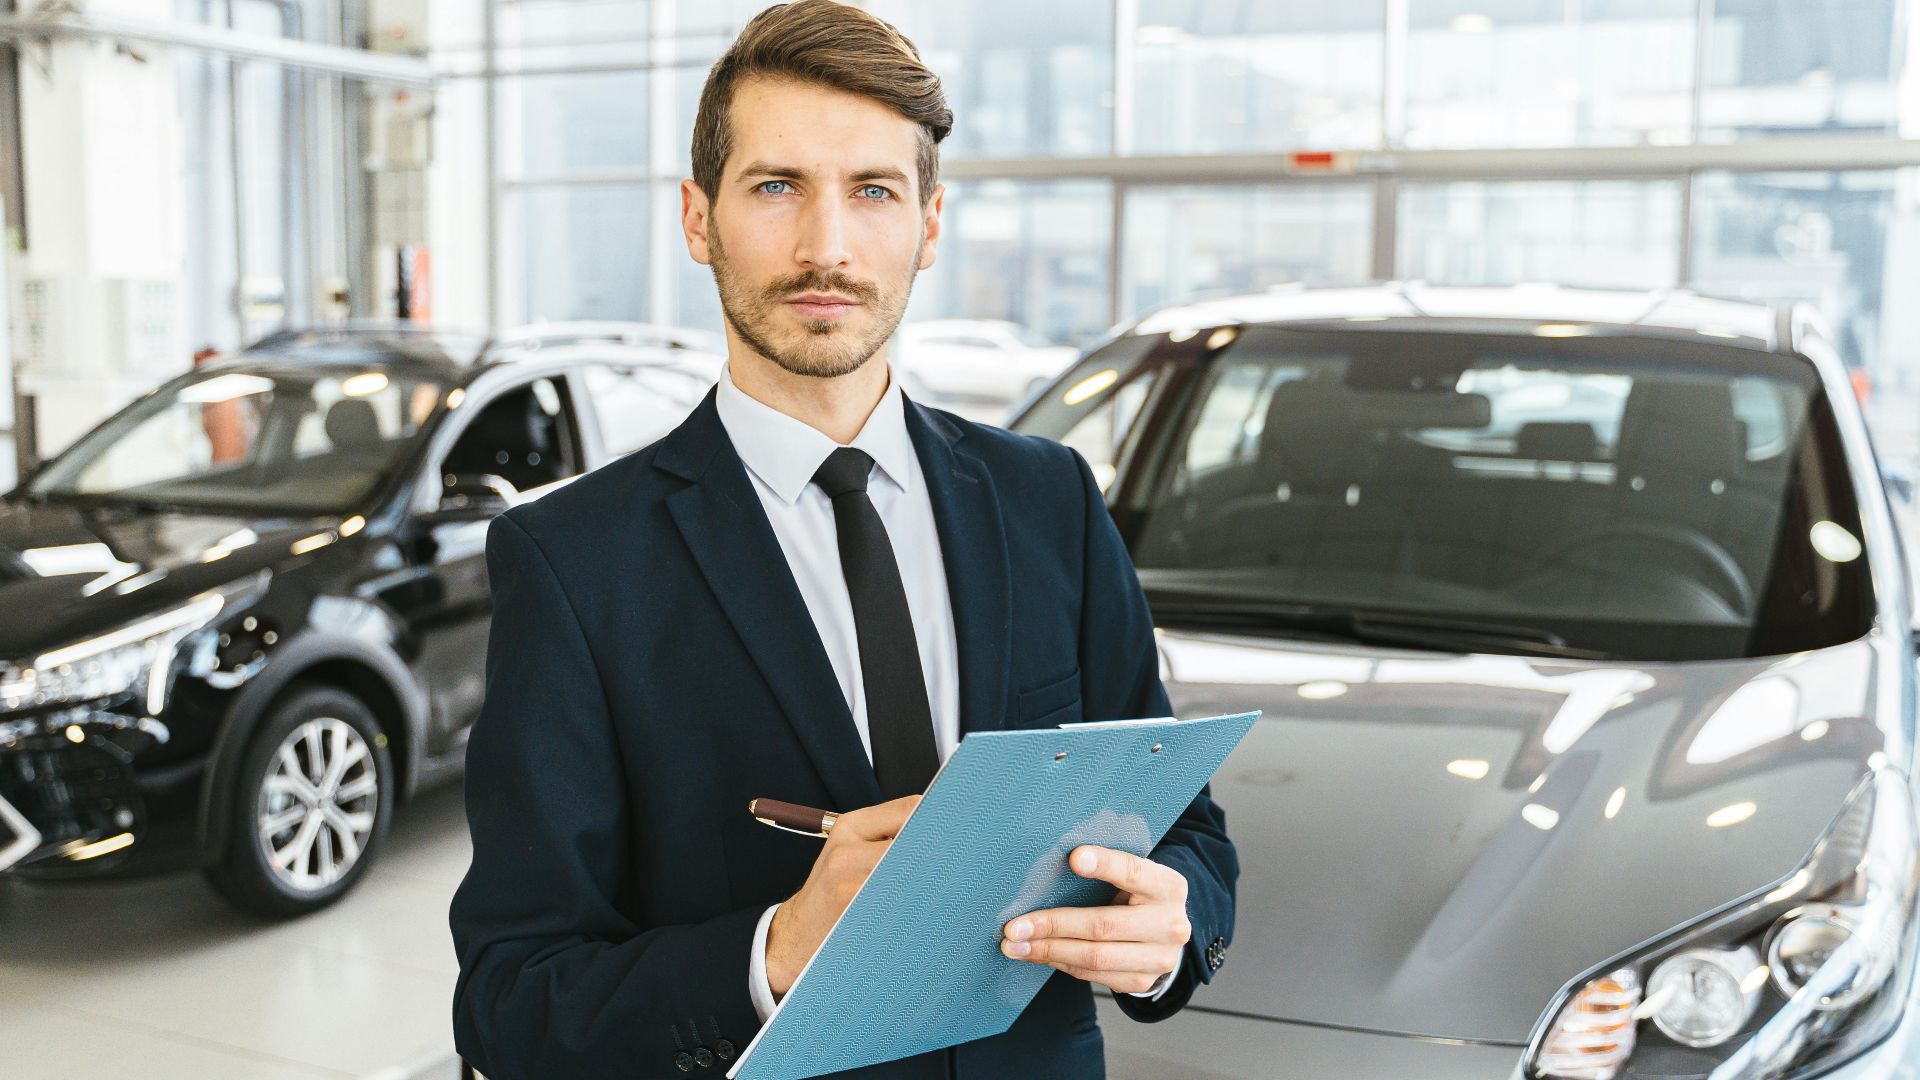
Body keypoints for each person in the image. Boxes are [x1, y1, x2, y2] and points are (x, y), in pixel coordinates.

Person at [448, 3, 1237, 1076]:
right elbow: (511, 1001)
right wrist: (773, 952)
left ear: (928, 222)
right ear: (697, 218)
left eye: (873, 190)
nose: (826, 246)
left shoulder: (1045, 496)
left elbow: (1183, 817)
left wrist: (1165, 932)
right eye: (776, 187)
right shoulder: (575, 560)